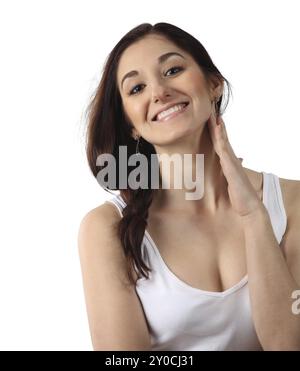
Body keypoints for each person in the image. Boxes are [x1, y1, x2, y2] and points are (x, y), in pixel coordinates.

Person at [78, 22, 300, 351]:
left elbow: (288, 344)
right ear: (131, 125)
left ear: (214, 84)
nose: (158, 92)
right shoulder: (106, 228)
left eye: (173, 69)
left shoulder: (291, 201)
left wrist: (254, 216)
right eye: (136, 88)